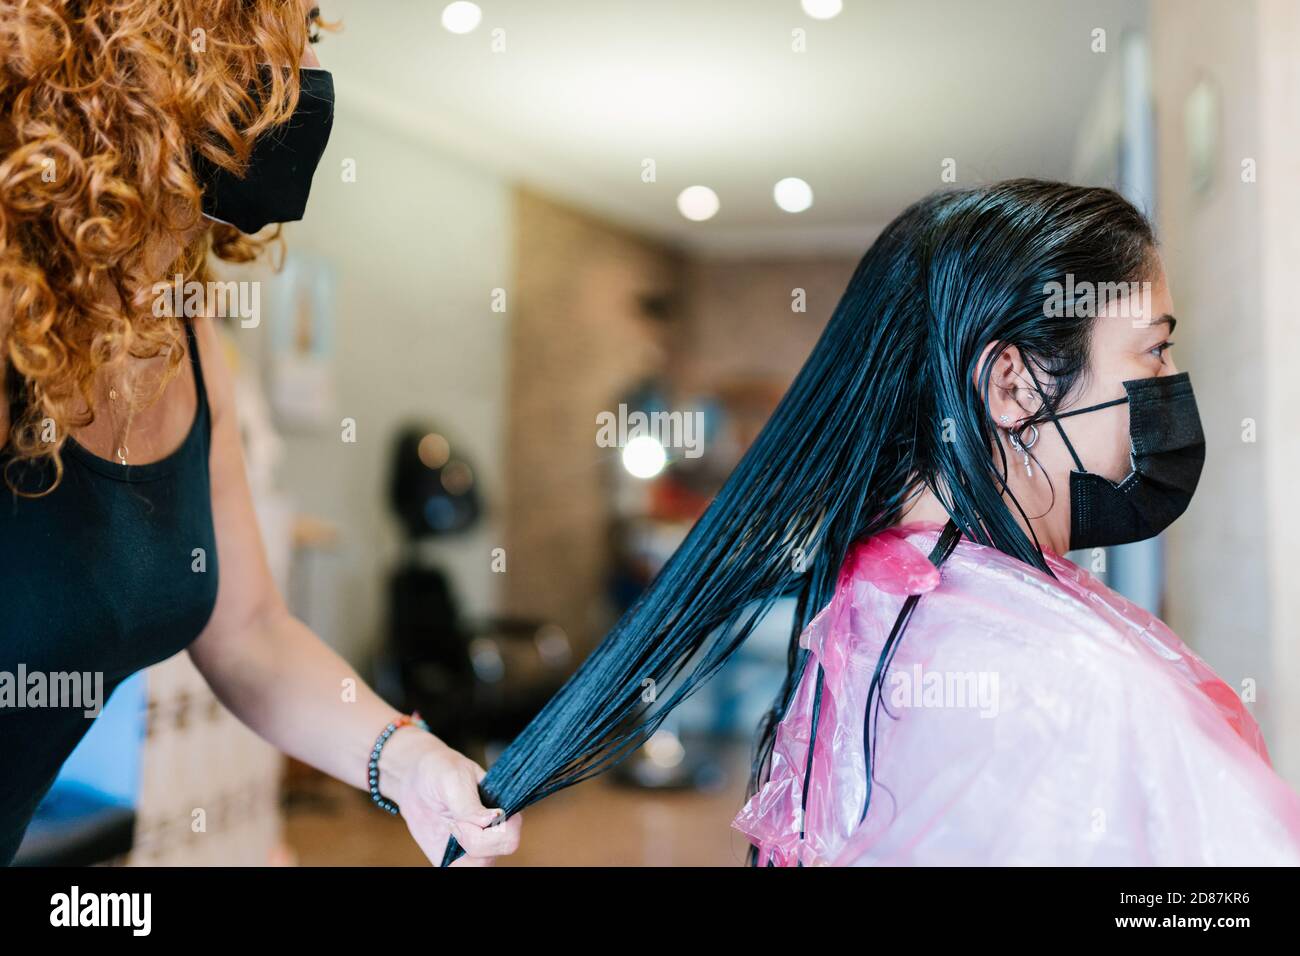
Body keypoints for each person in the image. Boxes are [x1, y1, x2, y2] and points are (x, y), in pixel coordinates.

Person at [441, 179, 1300, 866]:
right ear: (1011, 386)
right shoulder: (1086, 690)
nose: (1172, 384)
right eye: (1153, 349)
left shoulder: (863, 609)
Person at [0, 0, 520, 866]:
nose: (303, 70)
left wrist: (408, 760)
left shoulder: (188, 336)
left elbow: (249, 633)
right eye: (286, 26)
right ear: (140, 51)